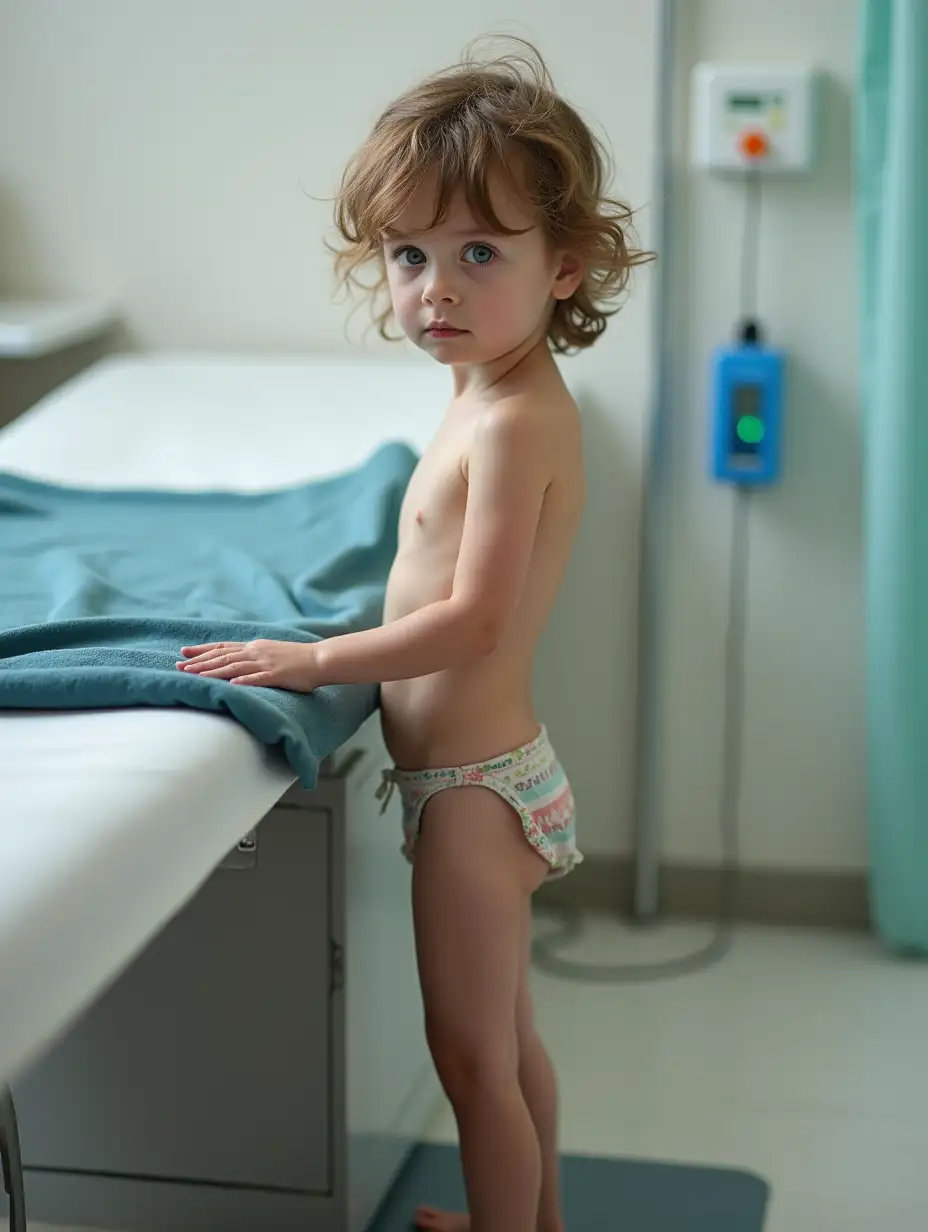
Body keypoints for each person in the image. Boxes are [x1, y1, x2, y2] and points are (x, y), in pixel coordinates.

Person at [178, 37, 649, 1232]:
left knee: (470, 1060)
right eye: (408, 255)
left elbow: (476, 614)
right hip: (492, 774)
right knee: (512, 1040)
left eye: (476, 252)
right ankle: (531, 1221)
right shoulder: (488, 392)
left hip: (475, 791)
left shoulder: (512, 423)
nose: (434, 286)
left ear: (565, 266)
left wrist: (318, 659)